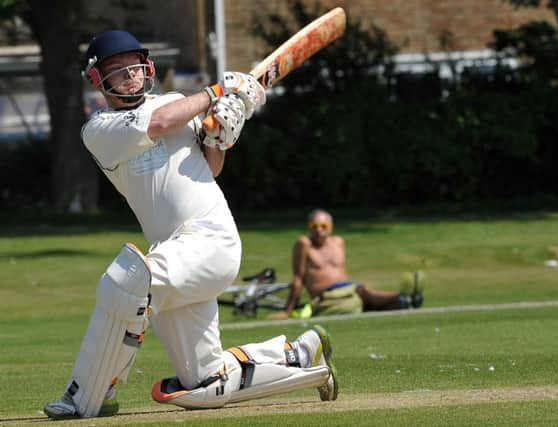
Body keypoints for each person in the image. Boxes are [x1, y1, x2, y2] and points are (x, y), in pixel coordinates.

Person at [43, 30, 338, 419]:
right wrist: (220, 90)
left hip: (210, 241)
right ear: (98, 80)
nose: (130, 76)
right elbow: (160, 123)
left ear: (147, 68)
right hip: (174, 254)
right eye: (118, 70)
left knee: (127, 282)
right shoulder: (99, 130)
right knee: (204, 382)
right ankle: (301, 355)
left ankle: (87, 396)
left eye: (134, 66)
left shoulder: (177, 104)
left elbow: (209, 168)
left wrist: (220, 139)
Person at [269, 209, 424, 319]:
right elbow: (298, 278)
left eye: (324, 227)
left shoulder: (338, 242)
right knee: (366, 293)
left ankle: (402, 300)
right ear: (309, 227)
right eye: (314, 226)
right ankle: (402, 297)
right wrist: (288, 310)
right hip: (327, 295)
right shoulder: (304, 244)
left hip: (349, 289)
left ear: (331, 228)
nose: (319, 231)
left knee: (364, 293)